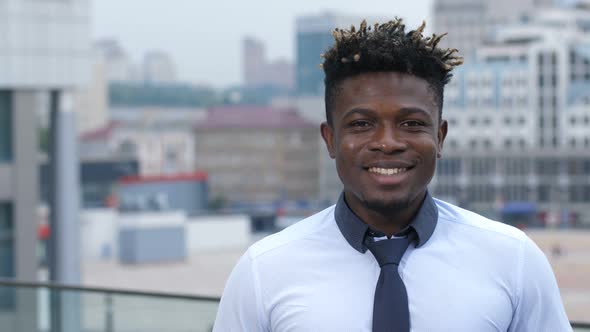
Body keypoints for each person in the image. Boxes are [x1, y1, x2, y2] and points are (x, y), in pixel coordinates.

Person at [213, 18, 571, 331]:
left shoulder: (514, 259)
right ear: (330, 138)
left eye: (411, 123)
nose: (388, 143)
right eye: (362, 124)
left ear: (440, 137)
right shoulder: (264, 270)